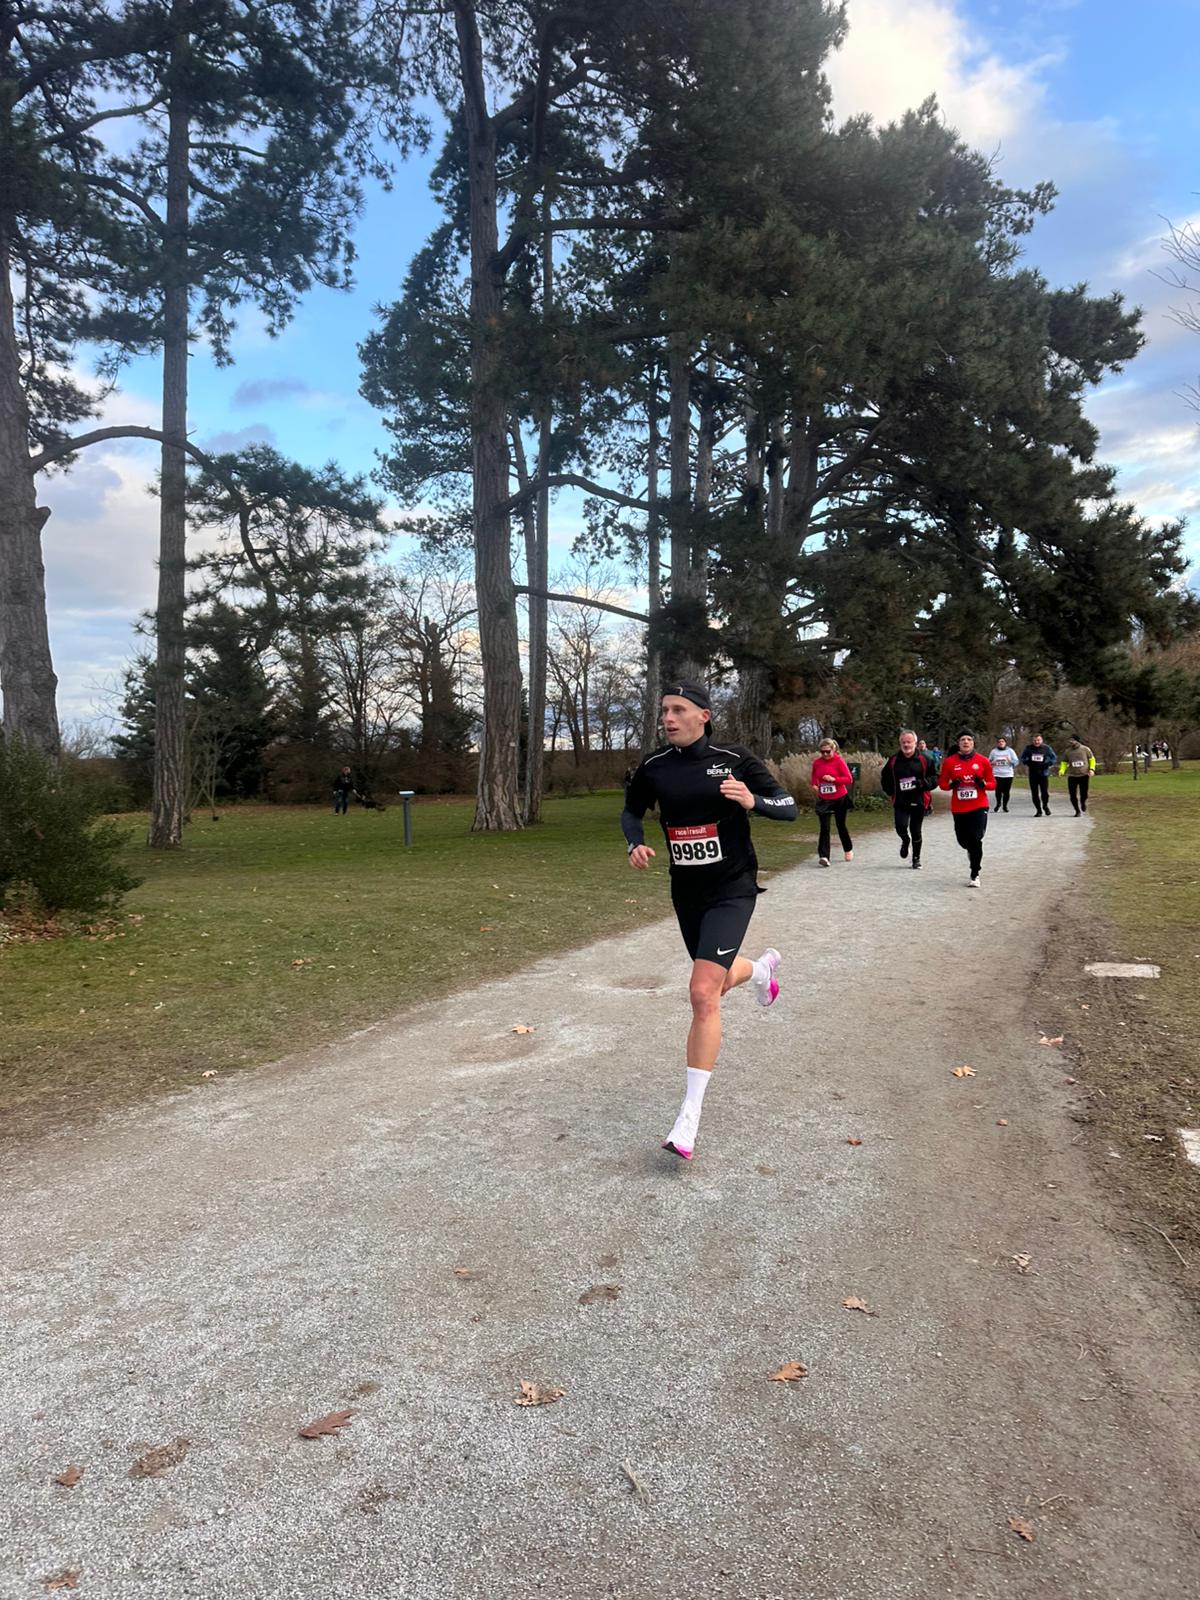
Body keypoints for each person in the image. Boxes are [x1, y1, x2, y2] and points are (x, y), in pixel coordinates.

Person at [622, 681, 797, 1162]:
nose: (669, 718)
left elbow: (789, 809)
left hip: (732, 889)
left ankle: (688, 1119)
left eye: (678, 710)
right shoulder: (655, 768)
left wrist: (751, 801)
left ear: (704, 715)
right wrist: (633, 842)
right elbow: (631, 811)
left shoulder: (734, 758)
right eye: (664, 711)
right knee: (714, 985)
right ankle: (760, 971)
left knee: (701, 992)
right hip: (687, 892)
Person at [938, 730, 995, 887]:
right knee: (963, 841)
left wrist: (982, 784)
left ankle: (975, 873)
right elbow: (942, 784)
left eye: (969, 739)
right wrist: (952, 785)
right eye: (962, 739)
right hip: (959, 808)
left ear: (973, 742)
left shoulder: (983, 761)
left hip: (979, 805)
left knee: (976, 839)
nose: (966, 742)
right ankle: (971, 850)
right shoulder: (950, 762)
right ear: (958, 743)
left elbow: (992, 784)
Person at [880, 729, 937, 868]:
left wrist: (922, 784)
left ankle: (916, 859)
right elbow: (885, 777)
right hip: (900, 800)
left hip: (919, 800)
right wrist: (889, 791)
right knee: (900, 827)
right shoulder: (893, 760)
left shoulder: (925, 760)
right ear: (900, 743)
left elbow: (935, 778)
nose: (906, 745)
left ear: (915, 743)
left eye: (909, 742)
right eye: (903, 742)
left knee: (916, 830)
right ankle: (905, 841)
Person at [810, 738, 855, 866]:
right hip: (824, 799)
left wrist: (833, 779)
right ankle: (824, 856)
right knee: (824, 828)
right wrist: (814, 785)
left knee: (841, 825)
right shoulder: (817, 763)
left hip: (840, 797)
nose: (825, 754)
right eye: (822, 752)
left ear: (834, 750)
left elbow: (848, 779)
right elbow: (814, 777)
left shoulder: (839, 761)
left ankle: (848, 848)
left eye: (827, 752)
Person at [1018, 733, 1058, 816]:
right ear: (1032, 741)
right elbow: (1022, 758)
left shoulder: (1046, 748)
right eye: (1035, 740)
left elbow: (1054, 758)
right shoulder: (1028, 748)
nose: (1036, 742)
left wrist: (1048, 764)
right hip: (1033, 773)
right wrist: (1027, 762)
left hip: (1043, 773)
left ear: (1041, 740)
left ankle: (1045, 806)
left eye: (1038, 740)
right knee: (1034, 793)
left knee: (1045, 793)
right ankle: (1038, 810)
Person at [1058, 737, 1096, 815]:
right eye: (1070, 740)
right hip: (1072, 776)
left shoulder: (1085, 749)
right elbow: (1064, 762)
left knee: (1084, 793)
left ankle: (1083, 802)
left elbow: (1092, 759)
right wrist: (1062, 770)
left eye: (1073, 740)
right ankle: (1077, 810)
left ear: (1077, 741)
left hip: (1084, 775)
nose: (1071, 742)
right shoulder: (1067, 751)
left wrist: (1092, 769)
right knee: (1072, 795)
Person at [988, 736, 1020, 812]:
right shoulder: (993, 751)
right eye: (999, 742)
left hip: (1008, 774)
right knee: (998, 790)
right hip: (997, 774)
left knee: (1006, 791)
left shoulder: (1010, 751)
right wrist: (992, 763)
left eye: (1002, 742)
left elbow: (1016, 762)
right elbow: (988, 762)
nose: (1001, 743)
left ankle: (1005, 806)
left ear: (1005, 743)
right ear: (997, 743)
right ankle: (998, 804)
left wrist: (1010, 761)